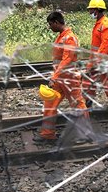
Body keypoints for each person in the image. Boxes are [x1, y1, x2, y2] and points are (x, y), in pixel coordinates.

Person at [34, 11, 89, 144]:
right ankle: (47, 134)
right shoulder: (61, 36)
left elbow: (67, 59)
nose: (50, 27)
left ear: (57, 22)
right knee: (50, 104)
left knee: (78, 105)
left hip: (69, 79)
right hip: (59, 79)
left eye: (50, 24)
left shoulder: (69, 37)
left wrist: (55, 75)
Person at [82, 0, 108, 108]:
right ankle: (88, 106)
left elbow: (105, 45)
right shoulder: (99, 23)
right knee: (88, 82)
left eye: (91, 10)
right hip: (96, 60)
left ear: (97, 10)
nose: (89, 12)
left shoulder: (105, 24)